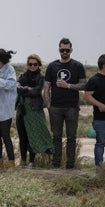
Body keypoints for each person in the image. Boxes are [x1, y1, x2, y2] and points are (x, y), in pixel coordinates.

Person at [42, 38, 87, 169]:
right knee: (56, 137)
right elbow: (46, 88)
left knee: (71, 137)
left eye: (67, 50)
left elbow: (84, 84)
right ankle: (56, 164)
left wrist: (68, 86)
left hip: (72, 107)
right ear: (59, 50)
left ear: (71, 50)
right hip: (55, 107)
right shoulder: (52, 66)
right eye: (62, 50)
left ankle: (70, 165)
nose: (65, 52)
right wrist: (49, 105)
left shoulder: (77, 66)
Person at [15, 54, 53, 168]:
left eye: (35, 64)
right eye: (30, 64)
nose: (32, 66)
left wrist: (23, 88)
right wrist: (27, 89)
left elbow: (36, 92)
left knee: (33, 136)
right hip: (22, 109)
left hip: (34, 110)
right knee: (22, 136)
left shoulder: (41, 78)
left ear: (39, 65)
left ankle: (31, 161)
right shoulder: (22, 75)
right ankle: (22, 161)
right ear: (27, 65)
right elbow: (17, 89)